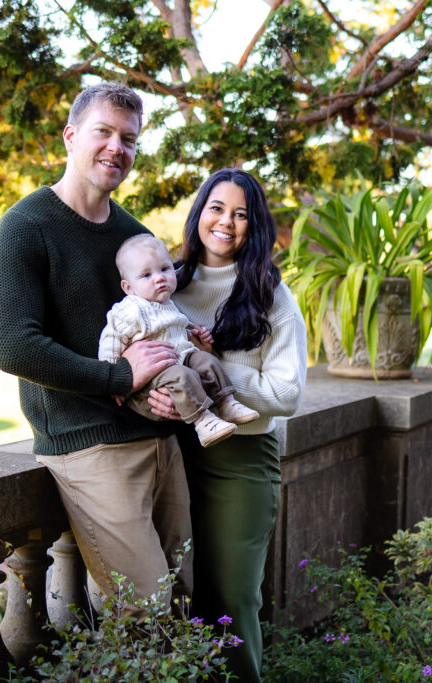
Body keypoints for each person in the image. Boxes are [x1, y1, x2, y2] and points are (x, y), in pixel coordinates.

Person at [0, 82, 190, 615]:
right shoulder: (25, 226)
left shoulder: (134, 236)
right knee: (146, 611)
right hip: (89, 447)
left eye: (129, 138)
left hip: (160, 439)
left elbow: (153, 335)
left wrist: (165, 391)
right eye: (103, 132)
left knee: (186, 602)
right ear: (71, 136)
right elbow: (14, 346)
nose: (116, 148)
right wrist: (118, 380)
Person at [148, 168, 307, 682]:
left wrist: (212, 368)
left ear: (255, 225)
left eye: (241, 214)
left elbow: (287, 393)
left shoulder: (270, 296)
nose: (226, 222)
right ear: (199, 213)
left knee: (233, 600)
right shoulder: (165, 282)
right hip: (171, 456)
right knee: (176, 599)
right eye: (217, 208)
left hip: (240, 464)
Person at [98, 233, 260, 447]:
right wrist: (113, 380)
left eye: (164, 269)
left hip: (180, 358)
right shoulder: (130, 310)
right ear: (128, 287)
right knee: (182, 375)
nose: (159, 278)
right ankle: (203, 422)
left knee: (206, 360)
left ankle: (226, 403)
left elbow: (177, 326)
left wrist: (195, 331)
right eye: (146, 275)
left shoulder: (166, 302)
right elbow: (110, 341)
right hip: (156, 376)